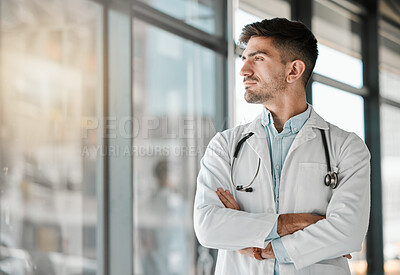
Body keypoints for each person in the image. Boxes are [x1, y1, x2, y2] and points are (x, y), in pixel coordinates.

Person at [193, 18, 370, 275]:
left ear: (294, 71)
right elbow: (208, 227)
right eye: (244, 58)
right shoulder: (225, 146)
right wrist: (296, 223)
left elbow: (347, 232)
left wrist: (261, 246)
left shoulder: (346, 147)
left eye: (258, 58)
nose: (244, 69)